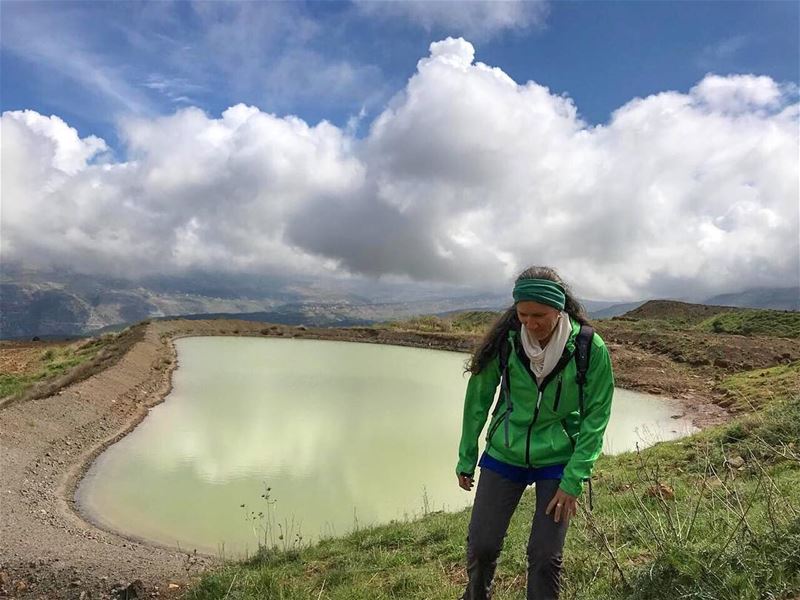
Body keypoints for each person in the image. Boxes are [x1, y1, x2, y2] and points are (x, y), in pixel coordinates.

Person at [456, 266, 615, 600]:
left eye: (539, 315)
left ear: (559, 309)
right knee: (482, 545)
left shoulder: (589, 348)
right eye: (522, 314)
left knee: (544, 555)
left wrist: (574, 479)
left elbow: (596, 417)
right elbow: (478, 401)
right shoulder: (506, 341)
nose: (530, 323)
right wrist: (466, 456)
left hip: (557, 459)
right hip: (504, 453)